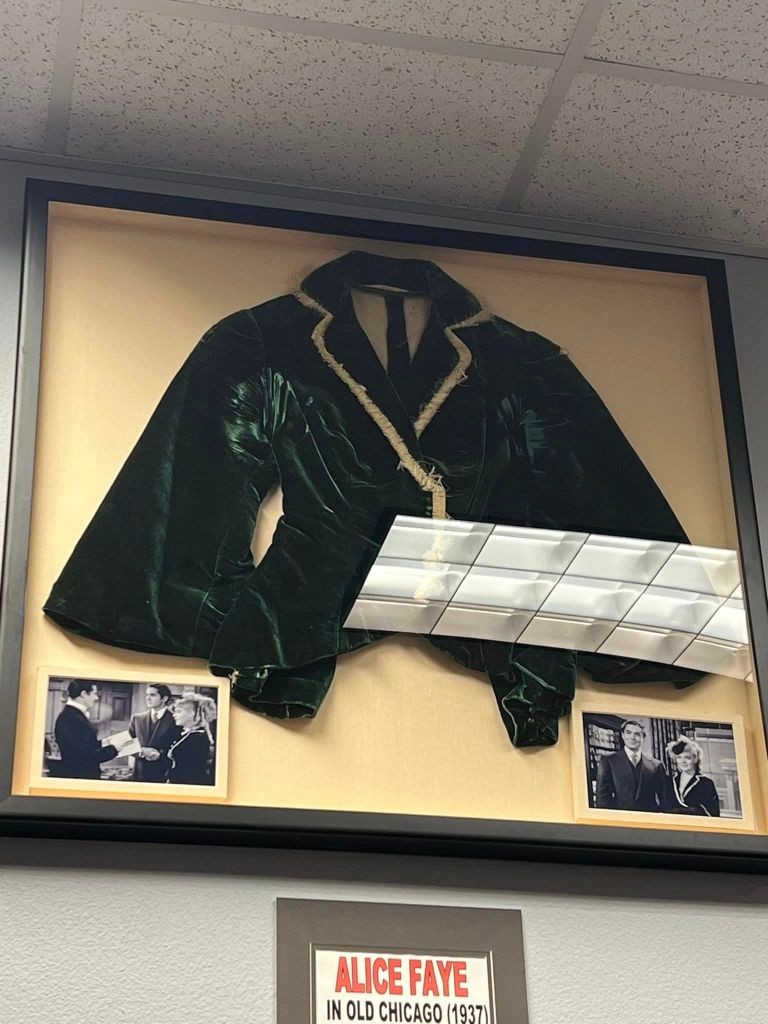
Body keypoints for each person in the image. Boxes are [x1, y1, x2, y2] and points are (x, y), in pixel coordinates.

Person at [53, 679, 120, 780]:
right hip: (80, 777)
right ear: (83, 694)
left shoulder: (73, 714)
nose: (96, 698)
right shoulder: (71, 718)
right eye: (94, 693)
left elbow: (84, 746)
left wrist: (103, 743)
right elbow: (86, 758)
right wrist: (114, 749)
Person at [595, 719, 666, 811]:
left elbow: (665, 801)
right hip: (620, 817)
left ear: (643, 737)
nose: (632, 737)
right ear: (623, 735)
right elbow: (602, 800)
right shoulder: (608, 761)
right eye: (628, 733)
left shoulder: (656, 765)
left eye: (637, 734)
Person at [128, 684, 182, 783]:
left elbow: (181, 750)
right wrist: (142, 751)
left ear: (164, 698)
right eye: (147, 695)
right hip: (139, 773)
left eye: (152, 695)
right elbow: (127, 745)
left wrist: (159, 755)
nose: (148, 698)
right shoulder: (137, 718)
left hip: (164, 774)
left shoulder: (176, 720)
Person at [166, 693, 217, 786]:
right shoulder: (189, 735)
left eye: (179, 712)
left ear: (194, 714)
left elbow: (189, 772)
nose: (174, 715)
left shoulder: (197, 739)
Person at [664, 736, 721, 816]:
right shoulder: (669, 781)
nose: (683, 761)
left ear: (695, 759)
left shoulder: (706, 783)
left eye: (687, 758)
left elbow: (713, 814)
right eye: (679, 757)